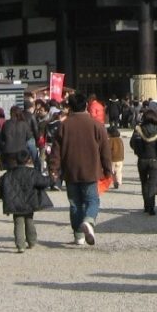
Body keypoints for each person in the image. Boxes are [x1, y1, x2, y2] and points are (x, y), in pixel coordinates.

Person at [54, 92, 112, 245]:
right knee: (92, 200)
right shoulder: (96, 125)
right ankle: (88, 220)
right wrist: (108, 169)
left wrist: (54, 169)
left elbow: (56, 151)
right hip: (91, 170)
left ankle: (78, 235)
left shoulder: (64, 125)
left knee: (75, 203)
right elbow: (105, 150)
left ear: (70, 107)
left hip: (70, 170)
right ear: (86, 105)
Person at [0, 148, 49, 252]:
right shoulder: (32, 173)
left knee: (18, 223)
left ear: (16, 160)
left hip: (15, 203)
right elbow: (43, 182)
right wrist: (51, 179)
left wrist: (2, 196)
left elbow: (0, 186)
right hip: (30, 201)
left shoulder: (8, 174)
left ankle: (20, 245)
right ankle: (32, 241)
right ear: (28, 160)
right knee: (29, 220)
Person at [130, 108, 157, 215]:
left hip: (142, 159)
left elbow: (132, 143)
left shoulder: (138, 129)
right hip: (154, 159)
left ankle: (146, 206)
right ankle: (151, 207)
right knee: (152, 184)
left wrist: (138, 151)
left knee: (144, 183)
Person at [107, 124, 124, 189]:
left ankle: (114, 182)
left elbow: (108, 149)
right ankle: (118, 181)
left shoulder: (110, 140)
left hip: (112, 159)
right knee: (119, 171)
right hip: (120, 159)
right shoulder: (120, 140)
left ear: (110, 134)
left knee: (112, 171)